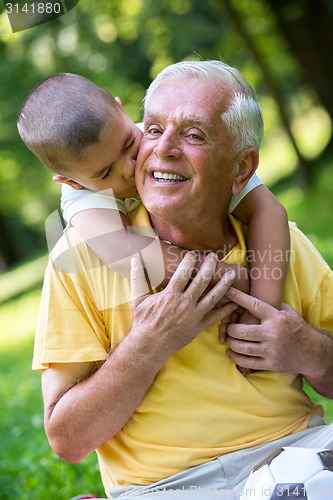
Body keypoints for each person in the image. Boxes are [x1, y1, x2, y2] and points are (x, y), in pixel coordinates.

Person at [31, 60, 333, 499]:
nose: (160, 149)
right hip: (169, 488)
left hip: (297, 454)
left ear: (241, 168)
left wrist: (310, 350)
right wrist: (146, 345)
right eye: (153, 129)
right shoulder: (80, 254)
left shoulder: (277, 241)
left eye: (194, 135)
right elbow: (67, 440)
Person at [17, 72, 290, 327]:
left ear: (120, 110)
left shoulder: (161, 137)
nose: (129, 167)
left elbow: (268, 209)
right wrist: (230, 278)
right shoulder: (81, 199)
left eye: (128, 144)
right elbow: (131, 254)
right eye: (106, 173)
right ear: (71, 181)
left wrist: (263, 310)